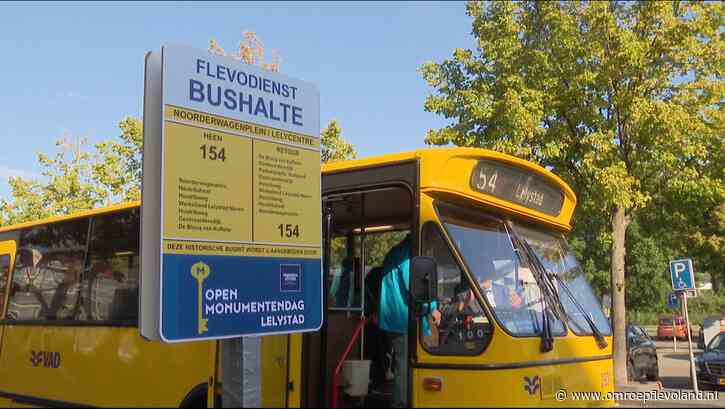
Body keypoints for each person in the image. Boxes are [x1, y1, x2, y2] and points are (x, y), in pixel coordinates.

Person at [378, 234, 440, 408]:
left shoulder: (398, 252)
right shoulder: (408, 255)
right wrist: (432, 307)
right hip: (402, 319)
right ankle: (401, 403)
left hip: (396, 318)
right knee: (404, 367)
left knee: (403, 364)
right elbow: (416, 288)